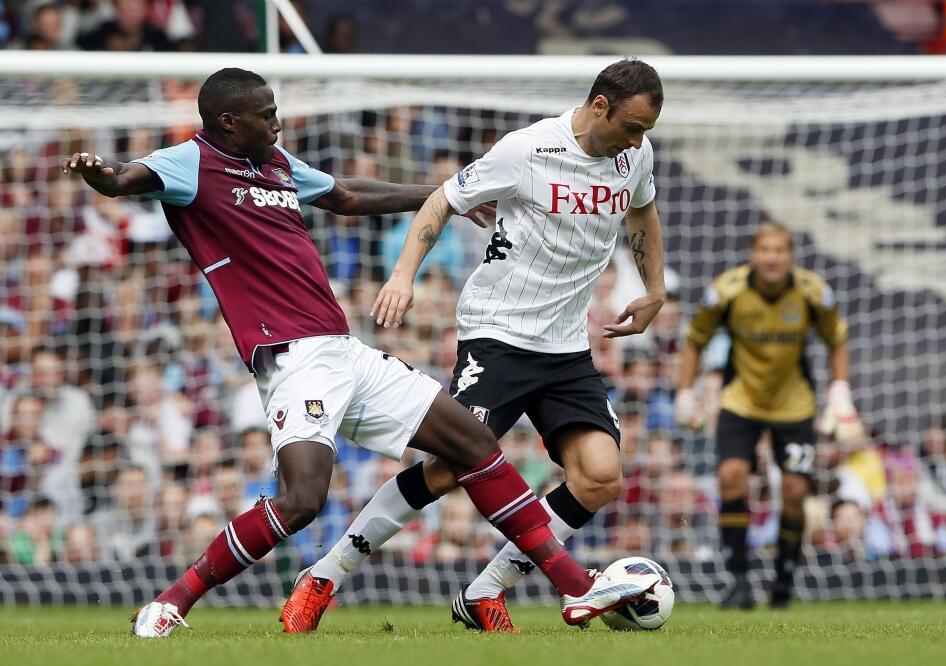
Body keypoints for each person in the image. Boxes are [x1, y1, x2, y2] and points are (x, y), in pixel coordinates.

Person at [63, 67, 657, 638]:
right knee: (301, 502)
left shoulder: (272, 164)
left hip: (343, 348)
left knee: (472, 444)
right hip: (290, 356)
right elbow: (127, 178)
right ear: (225, 121)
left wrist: (446, 194)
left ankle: (575, 587)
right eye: (266, 115)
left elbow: (345, 195)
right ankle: (171, 602)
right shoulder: (192, 161)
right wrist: (102, 175)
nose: (277, 124)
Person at [282, 58, 667, 633]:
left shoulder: (634, 156)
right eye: (632, 126)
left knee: (601, 476)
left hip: (565, 345)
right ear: (599, 107)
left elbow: (643, 211)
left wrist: (655, 287)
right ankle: (324, 576)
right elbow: (441, 201)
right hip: (498, 334)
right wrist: (402, 276)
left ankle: (486, 590)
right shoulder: (528, 150)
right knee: (449, 468)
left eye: (646, 132)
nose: (638, 141)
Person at [676, 221, 863, 609]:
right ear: (753, 254)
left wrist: (840, 390)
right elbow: (695, 341)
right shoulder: (726, 292)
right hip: (740, 401)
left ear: (790, 256)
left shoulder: (813, 294)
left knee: (794, 493)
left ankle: (783, 581)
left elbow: (837, 340)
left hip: (794, 406)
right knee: (731, 478)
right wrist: (684, 393)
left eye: (780, 250)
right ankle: (739, 580)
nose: (772, 257)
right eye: (765, 249)